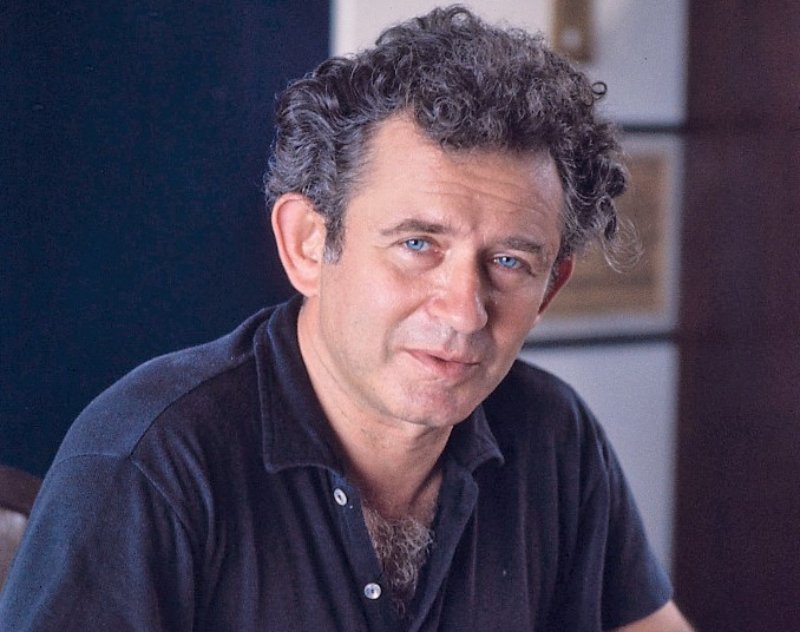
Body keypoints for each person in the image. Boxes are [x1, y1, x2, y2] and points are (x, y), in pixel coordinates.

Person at [0, 6, 693, 631]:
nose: (463, 310)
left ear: (549, 288)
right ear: (307, 244)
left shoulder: (553, 436)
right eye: (418, 245)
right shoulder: (148, 462)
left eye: (509, 261)